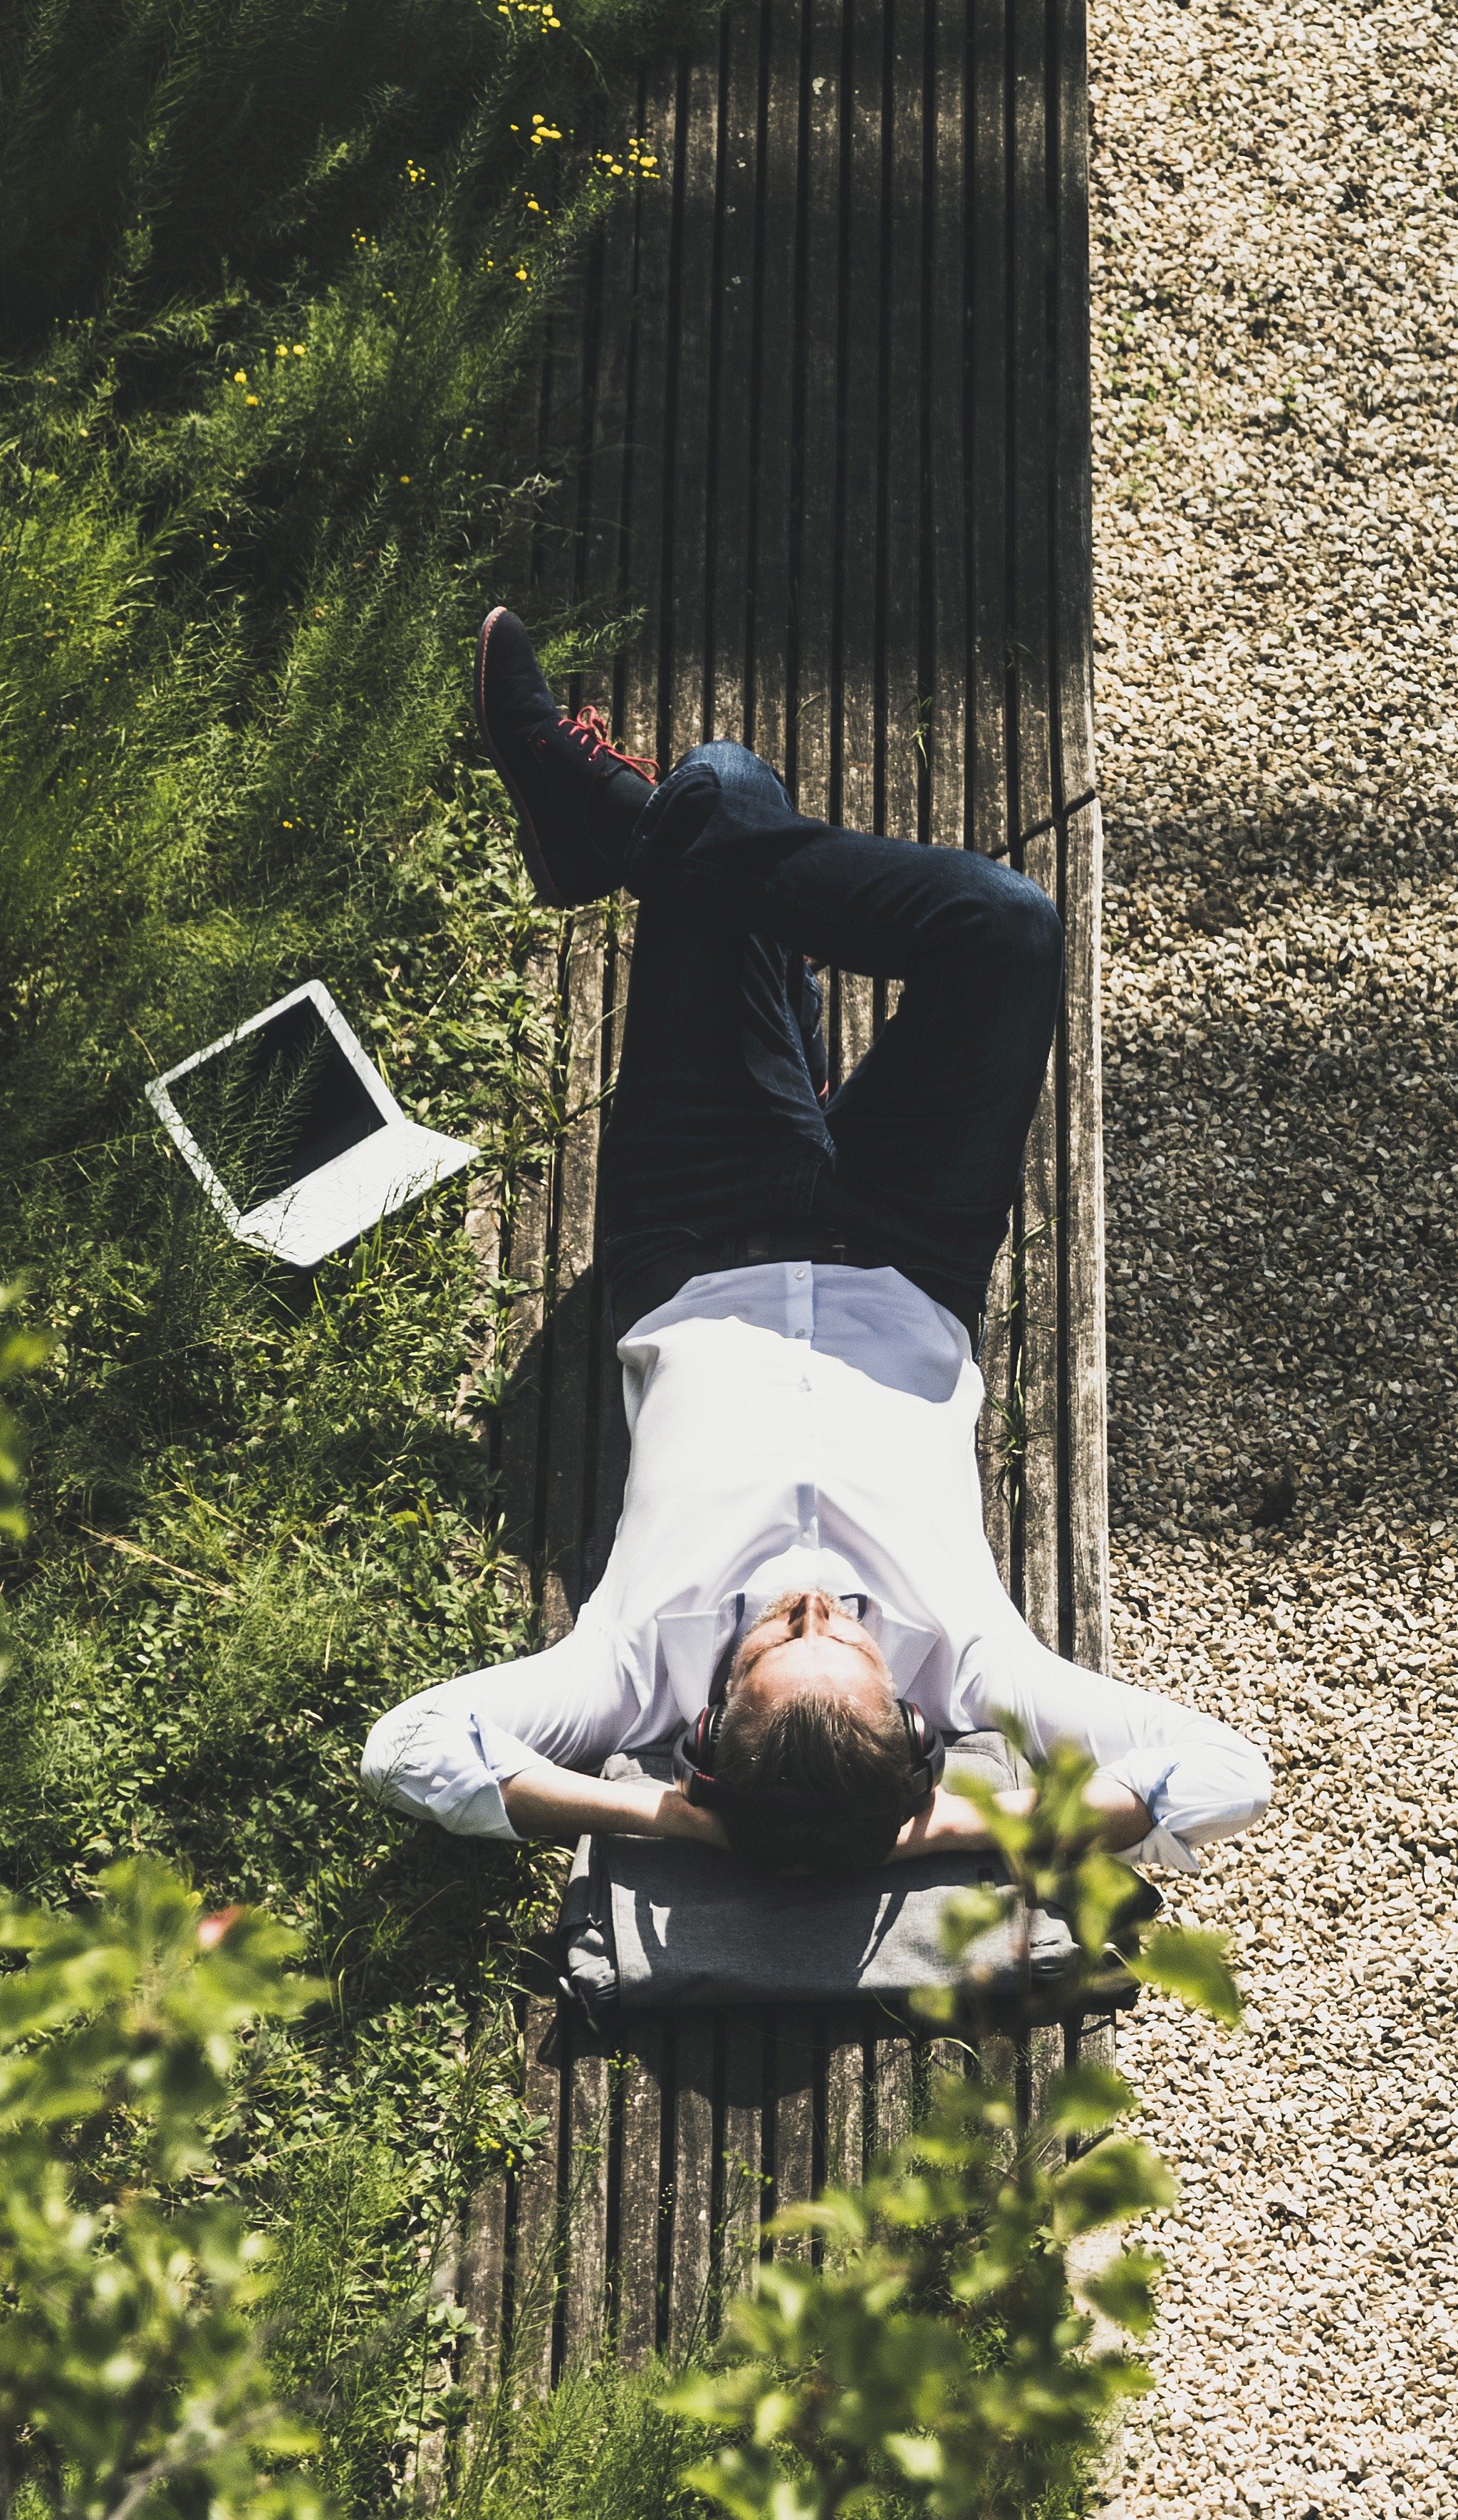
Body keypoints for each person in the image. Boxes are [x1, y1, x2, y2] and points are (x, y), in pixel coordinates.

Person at [359, 609, 1270, 1889]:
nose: (814, 1601)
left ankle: (645, 836)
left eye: (775, 1637)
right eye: (842, 1634)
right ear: (908, 1719)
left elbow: (411, 1748)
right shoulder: (974, 1665)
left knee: (730, 777)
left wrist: (663, 1823)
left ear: (703, 1741)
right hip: (912, 1240)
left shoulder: (627, 1668)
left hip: (695, 1226)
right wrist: (960, 1826)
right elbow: (1227, 1773)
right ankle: (626, 832)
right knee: (1005, 930)